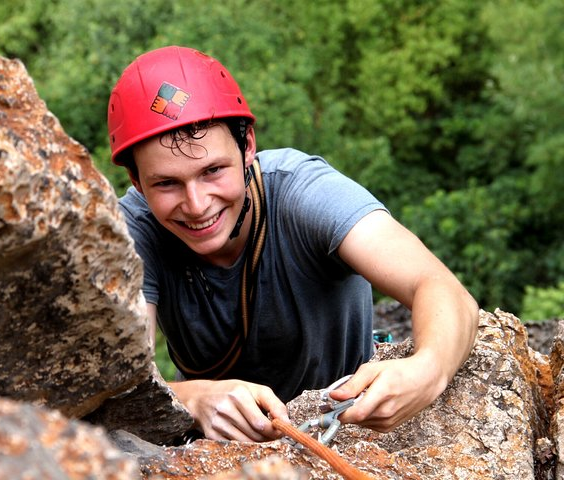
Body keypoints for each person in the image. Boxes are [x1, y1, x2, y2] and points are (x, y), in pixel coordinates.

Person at [108, 45, 479, 443]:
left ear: (247, 146)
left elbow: (442, 288)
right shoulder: (129, 233)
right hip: (212, 445)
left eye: (213, 171)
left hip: (343, 425)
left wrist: (428, 369)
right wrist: (190, 397)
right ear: (136, 181)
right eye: (166, 183)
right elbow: (119, 386)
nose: (197, 205)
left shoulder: (305, 194)